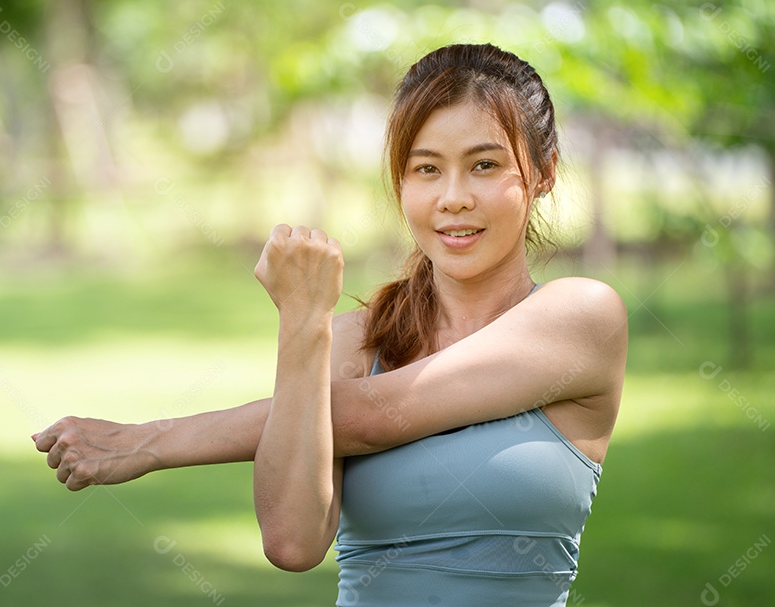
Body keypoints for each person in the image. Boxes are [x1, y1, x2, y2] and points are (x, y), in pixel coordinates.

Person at [32, 43, 627, 606]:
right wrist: (303, 321)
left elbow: (368, 419)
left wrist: (151, 442)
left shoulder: (580, 317)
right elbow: (292, 543)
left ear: (544, 171)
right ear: (400, 180)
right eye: (426, 169)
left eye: (485, 165)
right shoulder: (352, 341)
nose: (453, 197)